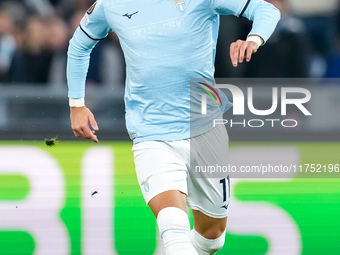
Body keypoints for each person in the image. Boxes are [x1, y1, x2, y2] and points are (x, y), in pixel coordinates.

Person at [66, 0, 280, 254]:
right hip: (151, 133)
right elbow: (79, 46)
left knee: (212, 237)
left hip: (205, 128)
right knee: (174, 230)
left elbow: (267, 10)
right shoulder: (111, 4)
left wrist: (253, 39)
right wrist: (76, 104)